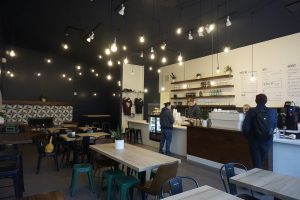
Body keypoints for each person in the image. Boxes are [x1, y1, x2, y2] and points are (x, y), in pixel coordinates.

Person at [242, 94, 277, 168]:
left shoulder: (251, 111)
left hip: (255, 142)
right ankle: (261, 177)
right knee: (262, 162)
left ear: (256, 101)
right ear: (266, 101)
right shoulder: (272, 111)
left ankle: (257, 178)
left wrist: (249, 138)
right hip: (267, 141)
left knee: (257, 164)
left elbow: (246, 128)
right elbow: (274, 126)